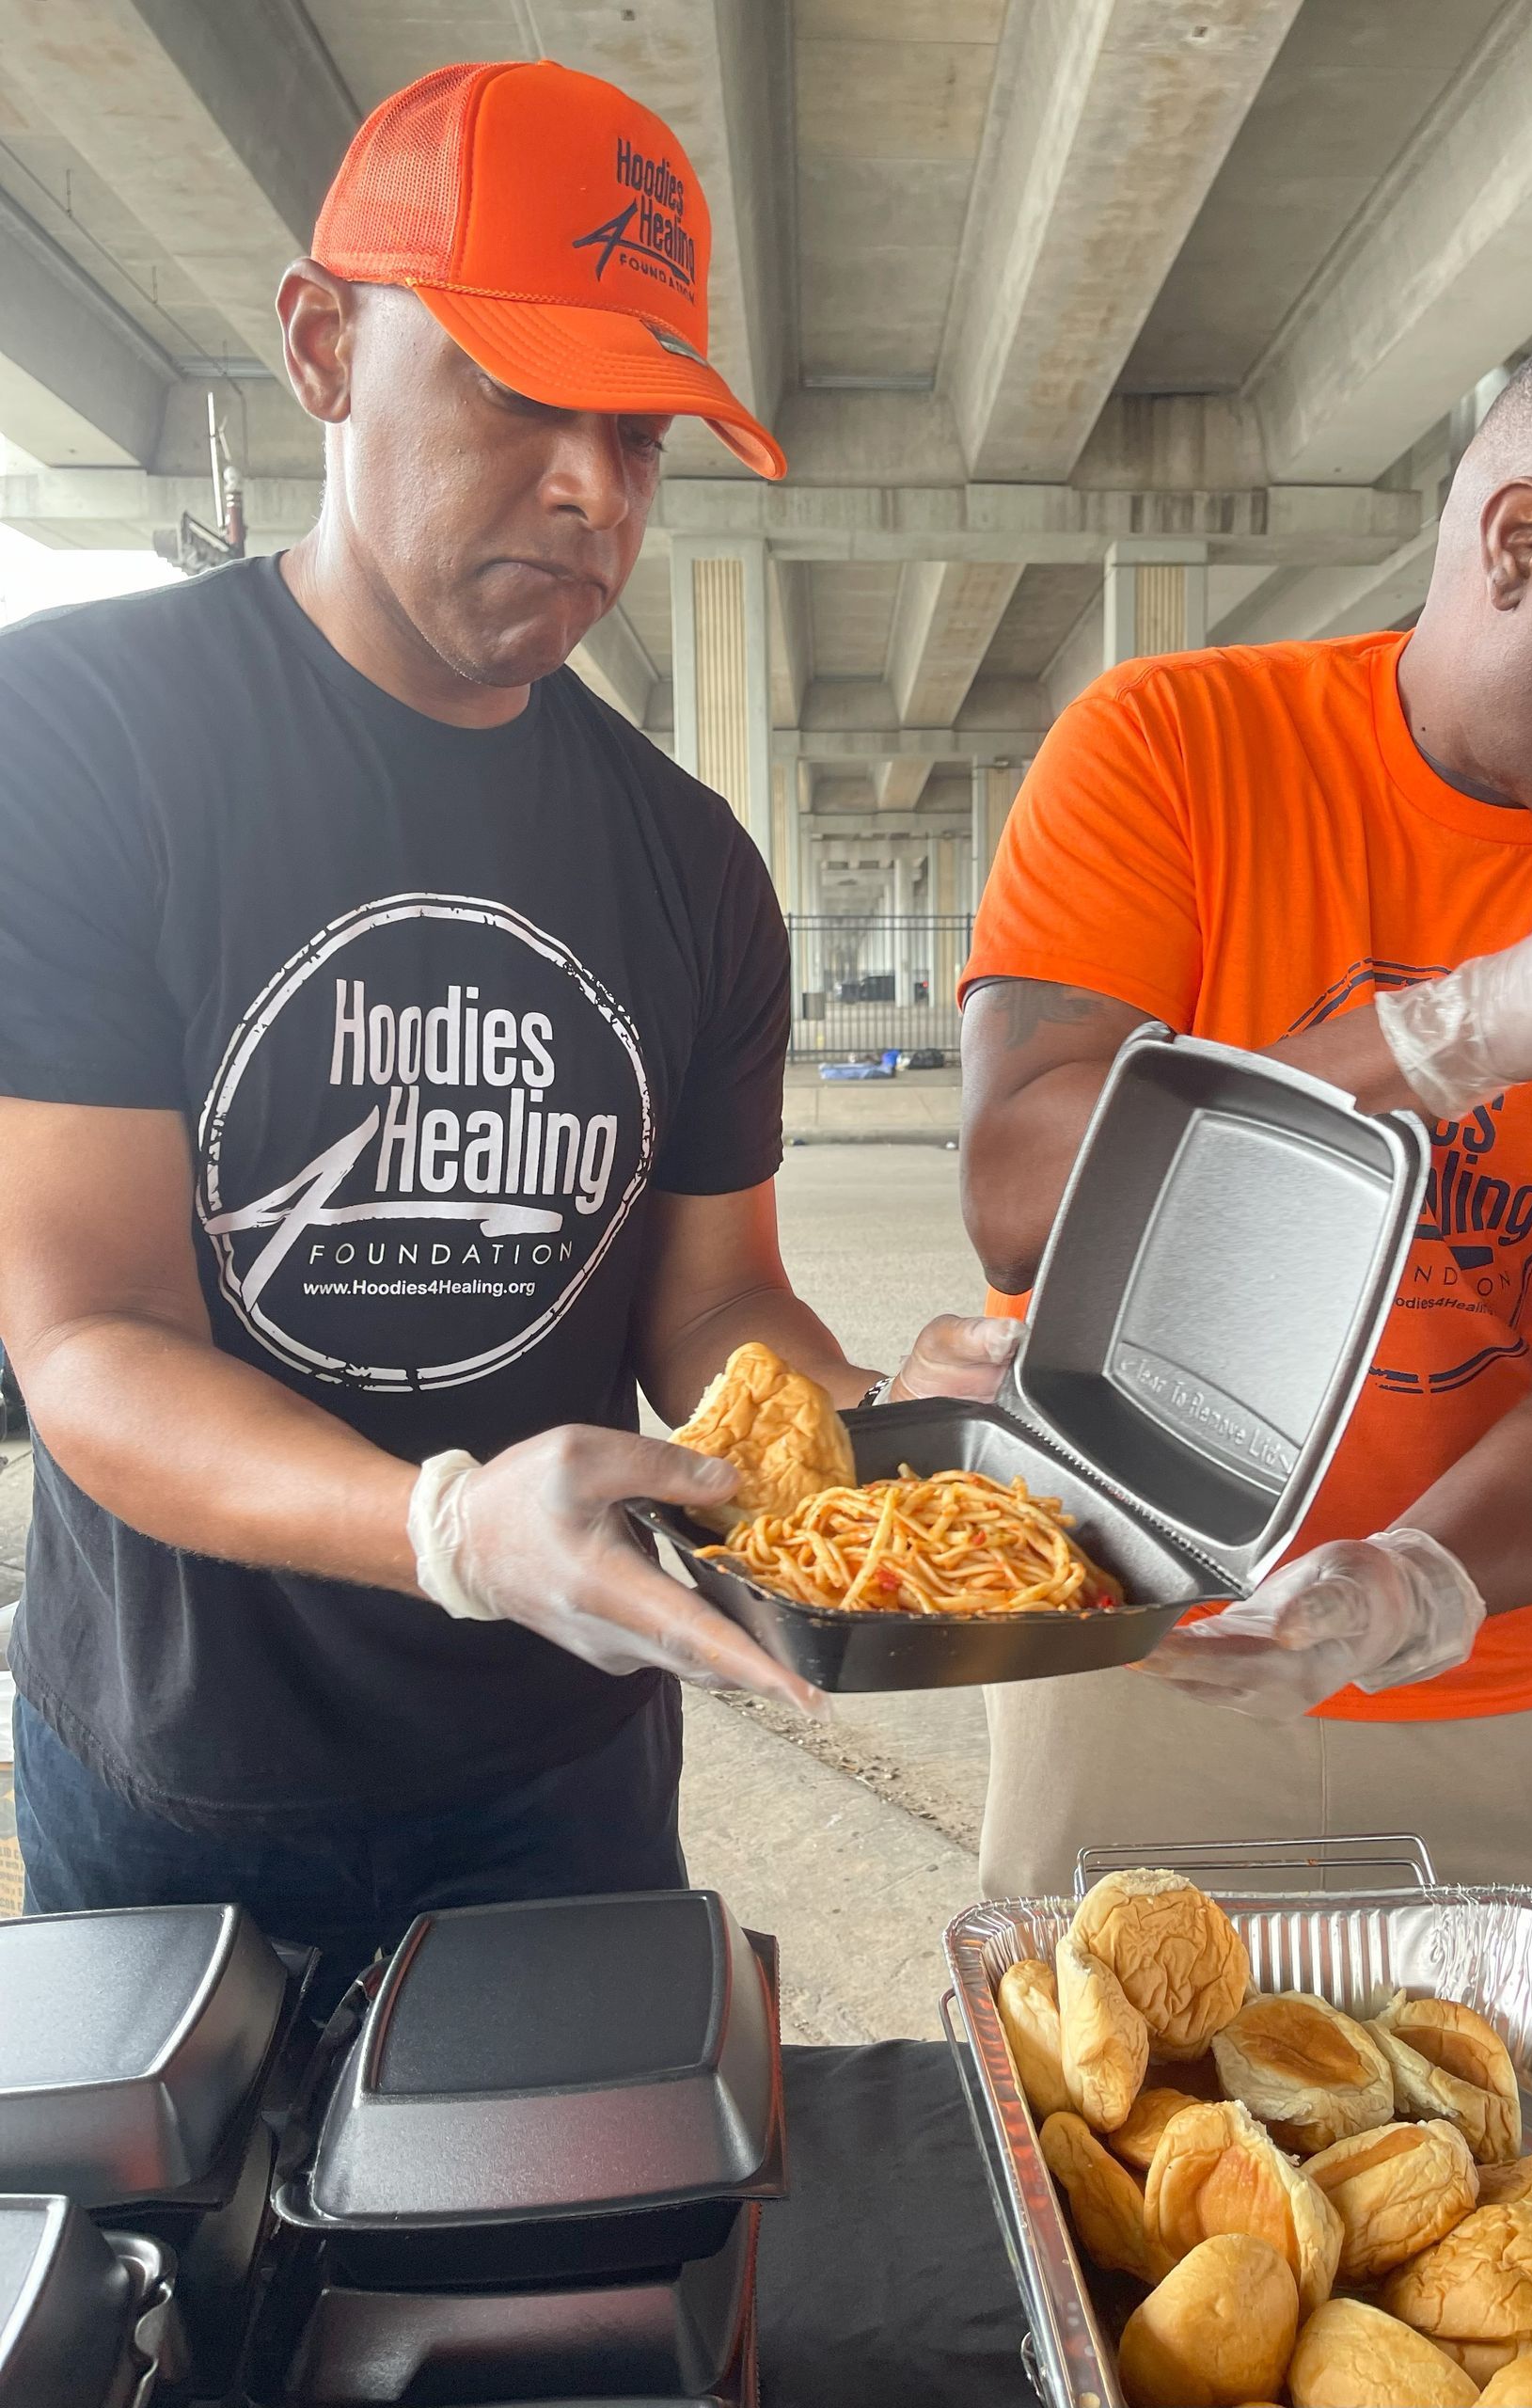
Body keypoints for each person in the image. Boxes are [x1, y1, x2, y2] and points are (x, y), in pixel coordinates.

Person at [0, 60, 1015, 1991]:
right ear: (324, 345)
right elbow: (88, 1334)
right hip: (183, 1779)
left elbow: (711, 1317)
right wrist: (447, 1524)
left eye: (639, 435)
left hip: (560, 1764)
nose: (589, 485)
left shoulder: (690, 863)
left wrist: (901, 1424)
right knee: (187, 2292)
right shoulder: (79, 744)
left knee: (569, 2286)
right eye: (522, 388)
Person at [959, 310, 1532, 1913]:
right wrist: (1457, 1031)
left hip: (1503, 1657)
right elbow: (1018, 1191)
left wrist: (1412, 1585)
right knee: (1098, 2117)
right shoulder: (1171, 749)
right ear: (1518, 539)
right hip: (1138, 1635)